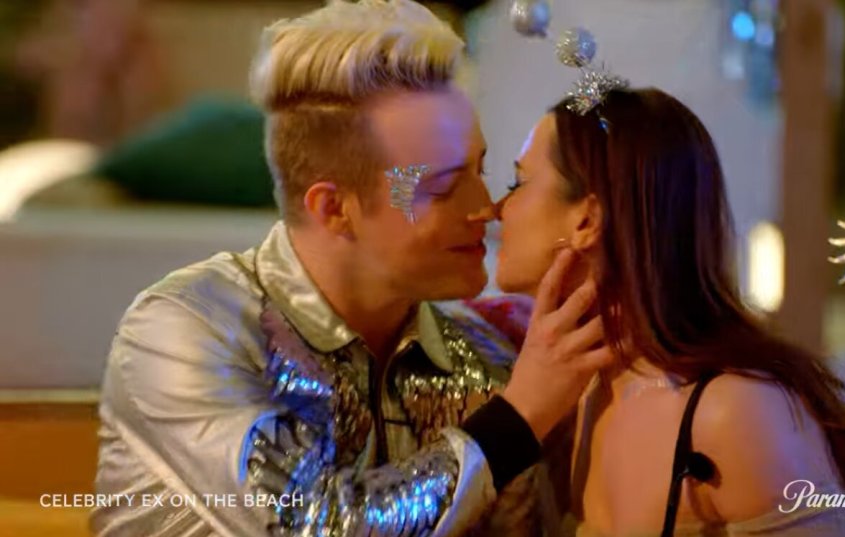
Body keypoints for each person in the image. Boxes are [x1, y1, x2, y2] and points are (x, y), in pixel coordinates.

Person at [91, 1, 611, 535]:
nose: (486, 207)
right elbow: (314, 523)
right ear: (334, 208)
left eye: (480, 171)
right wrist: (514, 423)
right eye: (441, 187)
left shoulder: (488, 361)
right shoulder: (190, 331)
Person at [493, 87, 845, 536]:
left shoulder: (738, 411)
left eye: (517, 184)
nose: (495, 209)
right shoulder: (573, 391)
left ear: (587, 220)